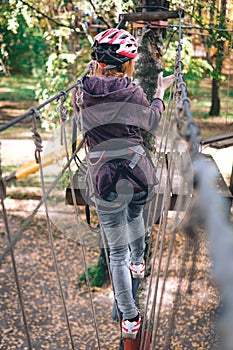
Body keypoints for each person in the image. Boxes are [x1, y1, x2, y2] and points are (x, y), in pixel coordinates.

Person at [72, 28, 174, 339]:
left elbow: (80, 124)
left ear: (97, 61)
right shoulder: (133, 92)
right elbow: (151, 122)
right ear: (127, 64)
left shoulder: (81, 93)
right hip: (137, 173)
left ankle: (129, 318)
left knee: (116, 253)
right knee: (135, 219)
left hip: (104, 180)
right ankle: (140, 261)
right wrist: (159, 93)